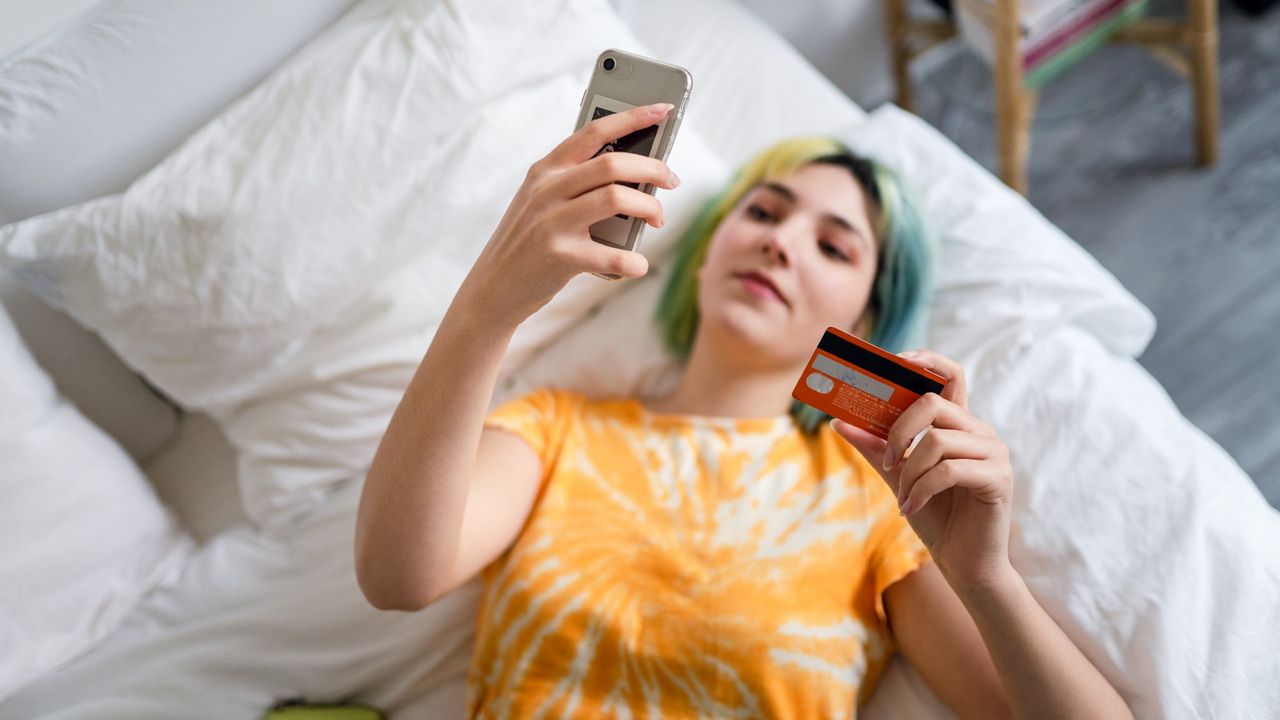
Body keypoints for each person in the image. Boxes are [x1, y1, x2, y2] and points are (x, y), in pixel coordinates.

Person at [354, 103, 1132, 719]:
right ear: (705, 252)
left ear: (863, 325)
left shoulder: (874, 498)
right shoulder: (560, 431)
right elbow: (397, 577)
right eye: (764, 213)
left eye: (834, 248)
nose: (783, 243)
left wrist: (986, 578)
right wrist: (487, 309)